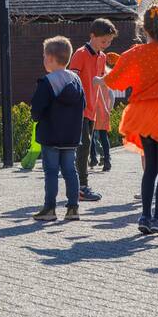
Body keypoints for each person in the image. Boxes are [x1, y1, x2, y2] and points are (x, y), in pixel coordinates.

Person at [101, 5, 158, 236]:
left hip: (141, 112)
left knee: (150, 168)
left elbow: (114, 80)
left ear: (144, 28)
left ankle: (145, 216)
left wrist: (99, 80)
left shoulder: (136, 53)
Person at [31, 36, 86, 222]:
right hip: (71, 136)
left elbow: (37, 109)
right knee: (71, 171)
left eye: (44, 56)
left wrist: (36, 117)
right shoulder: (76, 81)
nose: (44, 60)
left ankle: (50, 208)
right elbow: (83, 106)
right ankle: (73, 208)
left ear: (51, 59)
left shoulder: (47, 82)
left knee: (51, 172)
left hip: (51, 135)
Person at [69, 18, 118, 202]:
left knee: (86, 147)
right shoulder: (80, 54)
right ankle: (81, 187)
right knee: (82, 148)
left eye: (109, 41)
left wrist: (104, 106)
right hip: (79, 110)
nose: (107, 44)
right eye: (104, 41)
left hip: (92, 110)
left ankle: (79, 186)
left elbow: (103, 83)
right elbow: (72, 81)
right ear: (93, 36)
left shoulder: (103, 57)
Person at [89, 71, 113, 172]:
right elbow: (112, 97)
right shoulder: (107, 84)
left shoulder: (94, 81)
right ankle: (107, 160)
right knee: (103, 137)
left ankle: (93, 157)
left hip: (94, 111)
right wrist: (109, 109)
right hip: (104, 112)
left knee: (91, 135)